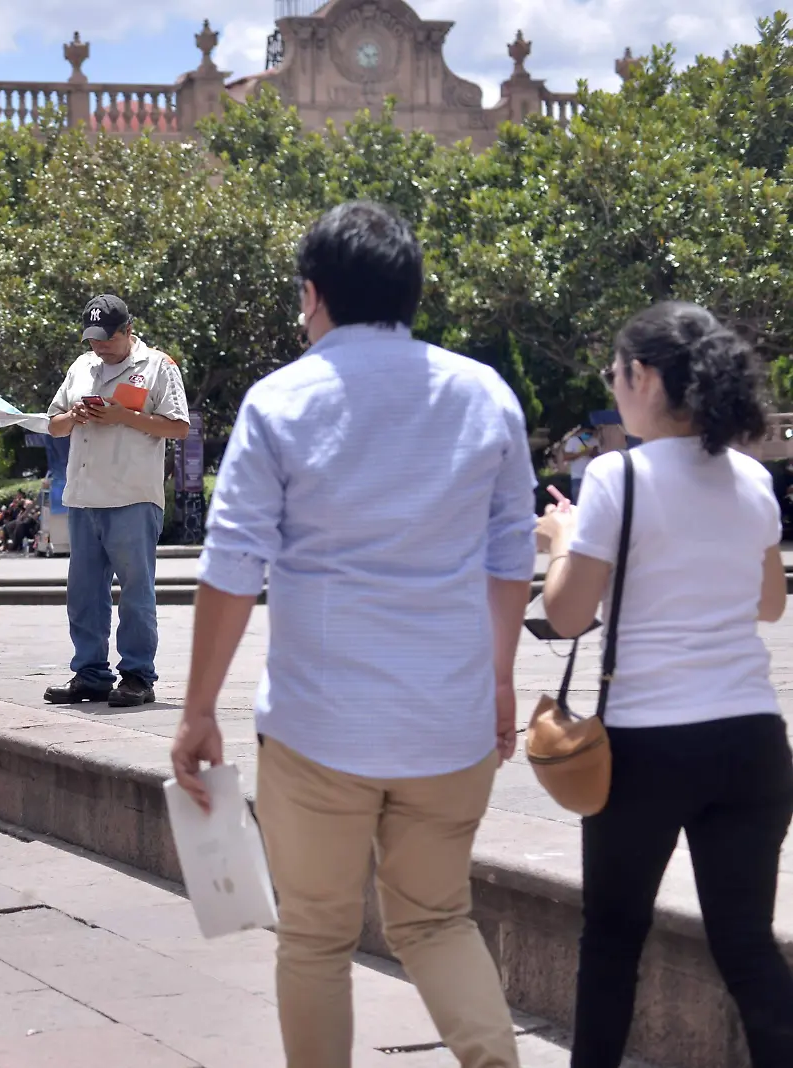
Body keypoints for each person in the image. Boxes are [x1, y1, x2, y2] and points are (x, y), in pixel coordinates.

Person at [171, 202, 534, 1068]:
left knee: (316, 941)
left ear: (313, 295)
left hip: (318, 727)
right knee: (439, 921)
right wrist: (499, 678)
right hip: (449, 725)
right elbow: (512, 553)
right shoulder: (483, 392)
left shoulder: (282, 401)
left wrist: (197, 711)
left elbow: (231, 569)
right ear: (411, 293)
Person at [536, 302, 793, 1067]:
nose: (614, 387)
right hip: (752, 741)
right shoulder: (751, 477)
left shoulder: (618, 476)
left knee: (613, 940)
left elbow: (569, 614)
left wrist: (559, 540)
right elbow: (771, 602)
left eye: (615, 373)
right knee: (745, 944)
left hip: (647, 746)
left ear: (643, 376)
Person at [43, 292, 190, 708]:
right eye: (92, 339)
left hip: (132, 496)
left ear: (128, 330)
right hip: (85, 496)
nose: (100, 347)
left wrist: (123, 416)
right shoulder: (81, 366)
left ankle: (138, 676)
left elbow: (179, 428)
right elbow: (52, 425)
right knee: (84, 593)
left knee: (136, 592)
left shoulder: (158, 365)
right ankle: (90, 674)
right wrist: (75, 417)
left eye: (107, 338)